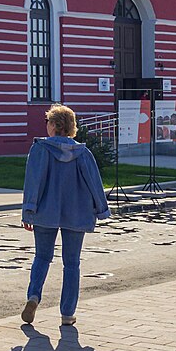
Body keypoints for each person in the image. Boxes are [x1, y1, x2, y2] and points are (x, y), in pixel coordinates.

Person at [21, 105, 111, 326]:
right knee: (72, 263)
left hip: (45, 211)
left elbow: (33, 182)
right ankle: (67, 314)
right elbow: (94, 182)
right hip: (76, 213)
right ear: (71, 127)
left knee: (42, 257)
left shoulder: (40, 149)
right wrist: (102, 209)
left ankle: (34, 296)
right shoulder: (82, 153)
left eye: (48, 122)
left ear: (53, 125)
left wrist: (28, 211)